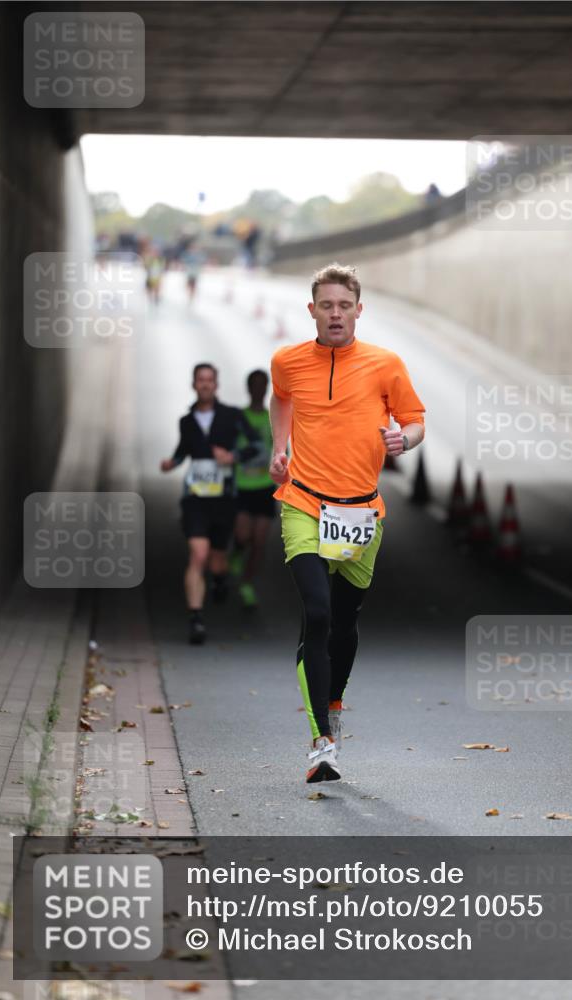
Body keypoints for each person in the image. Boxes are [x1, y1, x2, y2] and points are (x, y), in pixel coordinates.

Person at [269, 263, 425, 782]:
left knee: (343, 620)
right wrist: (278, 448)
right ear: (311, 310)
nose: (335, 314)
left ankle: (333, 703)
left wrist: (404, 439)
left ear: (359, 310)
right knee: (315, 613)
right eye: (326, 305)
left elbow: (415, 421)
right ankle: (322, 744)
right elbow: (281, 398)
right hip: (304, 503)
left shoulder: (385, 364)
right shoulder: (288, 361)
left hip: (360, 512)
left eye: (344, 306)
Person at [160, 363, 261, 645]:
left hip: (223, 499)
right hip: (194, 498)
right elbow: (183, 451)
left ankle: (219, 578)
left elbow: (257, 447)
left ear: (216, 385)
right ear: (194, 384)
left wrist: (233, 457)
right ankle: (196, 618)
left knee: (217, 560)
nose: (205, 384)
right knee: (198, 554)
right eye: (200, 380)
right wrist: (172, 463)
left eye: (209, 380)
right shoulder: (187, 421)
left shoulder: (232, 416)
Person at [230, 370, 276, 608]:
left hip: (265, 488)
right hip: (242, 487)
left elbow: (281, 449)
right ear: (248, 388)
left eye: (262, 385)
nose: (259, 389)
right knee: (243, 536)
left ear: (266, 388)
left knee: (259, 541)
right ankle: (237, 552)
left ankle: (247, 584)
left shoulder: (272, 419)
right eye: (255, 385)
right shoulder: (239, 419)